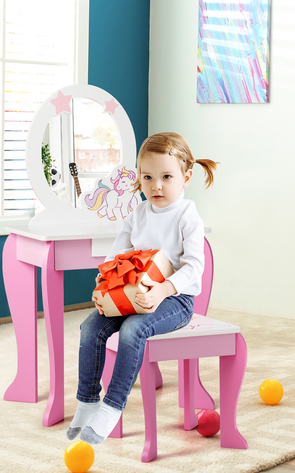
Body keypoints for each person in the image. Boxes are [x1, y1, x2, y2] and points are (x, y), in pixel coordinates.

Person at [66, 132, 218, 445]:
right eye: (148, 177)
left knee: (134, 330)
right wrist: (102, 288)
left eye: (166, 177)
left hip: (176, 300)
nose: (156, 186)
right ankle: (87, 401)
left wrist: (163, 290)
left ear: (185, 177)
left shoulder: (187, 215)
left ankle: (112, 406)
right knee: (89, 327)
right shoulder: (137, 213)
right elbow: (116, 257)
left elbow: (194, 268)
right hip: (131, 295)